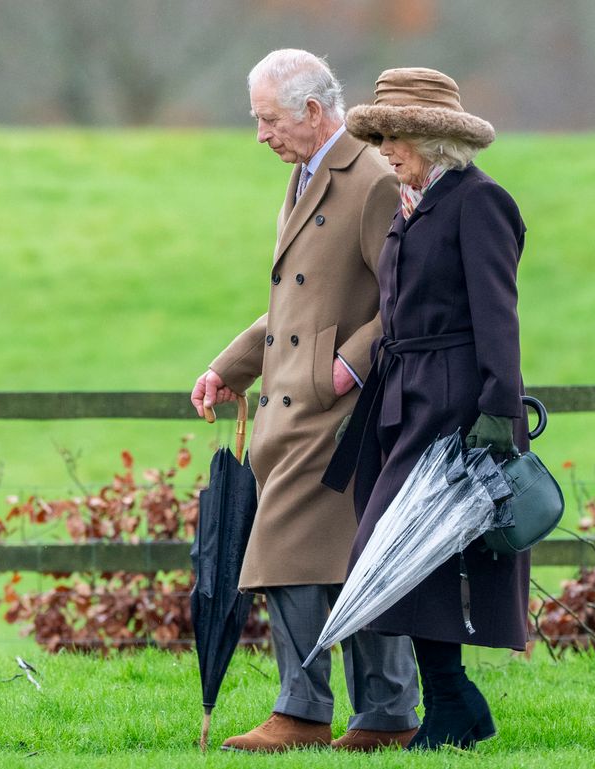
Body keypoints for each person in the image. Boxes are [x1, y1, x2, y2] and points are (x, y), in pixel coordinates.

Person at [190, 49, 419, 753]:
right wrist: (232, 366)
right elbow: (291, 306)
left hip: (339, 412)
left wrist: (347, 366)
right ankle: (382, 713)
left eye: (267, 119)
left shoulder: (370, 178)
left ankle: (308, 710)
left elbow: (406, 296)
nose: (260, 133)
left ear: (313, 112)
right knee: (339, 555)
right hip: (294, 407)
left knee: (294, 545)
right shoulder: (304, 176)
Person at [323, 67, 531, 751]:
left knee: (424, 554)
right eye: (380, 134)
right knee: (395, 552)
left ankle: (450, 703)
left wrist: (497, 415)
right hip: (401, 399)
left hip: (453, 404)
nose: (386, 148)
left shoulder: (480, 203)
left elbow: (498, 317)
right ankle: (457, 702)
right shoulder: (414, 205)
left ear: (434, 138)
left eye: (396, 136)